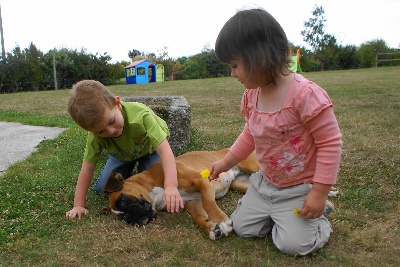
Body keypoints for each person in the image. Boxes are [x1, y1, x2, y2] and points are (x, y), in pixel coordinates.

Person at [208, 9, 342, 256]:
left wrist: (319, 193)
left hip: (299, 187)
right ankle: (279, 216)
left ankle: (318, 221)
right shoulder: (252, 95)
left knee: (292, 245)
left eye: (235, 65)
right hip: (264, 184)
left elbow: (330, 144)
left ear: (258, 56)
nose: (232, 73)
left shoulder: (305, 95)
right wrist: (225, 162)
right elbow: (250, 134)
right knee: (243, 228)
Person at [65, 80, 183, 220]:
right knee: (102, 188)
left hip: (150, 149)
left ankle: (140, 170)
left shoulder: (141, 116)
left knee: (156, 183)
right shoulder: (95, 136)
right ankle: (128, 167)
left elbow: (165, 151)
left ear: (117, 103)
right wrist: (78, 205)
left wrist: (171, 186)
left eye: (111, 121)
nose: (111, 131)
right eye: (101, 131)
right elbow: (87, 168)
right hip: (122, 155)